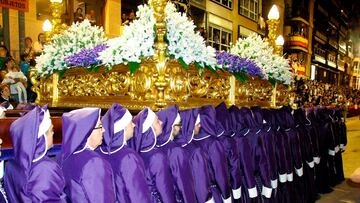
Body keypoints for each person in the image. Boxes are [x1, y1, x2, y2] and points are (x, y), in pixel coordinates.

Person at [4, 106, 66, 202]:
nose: (53, 134)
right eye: (51, 131)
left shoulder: (10, 164)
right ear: (41, 138)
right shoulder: (46, 168)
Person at [59, 107, 116, 203]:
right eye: (100, 126)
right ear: (87, 131)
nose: (103, 131)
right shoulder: (93, 162)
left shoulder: (62, 156)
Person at [98, 103, 151, 203]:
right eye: (130, 122)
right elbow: (138, 194)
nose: (134, 124)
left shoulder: (99, 151)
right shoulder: (129, 157)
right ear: (123, 128)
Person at [129, 107, 176, 203]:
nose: (161, 122)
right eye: (157, 121)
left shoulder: (137, 150)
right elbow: (164, 189)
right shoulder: (157, 156)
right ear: (151, 129)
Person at [156, 105, 197, 203]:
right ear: (171, 126)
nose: (181, 127)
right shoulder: (176, 150)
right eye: (179, 124)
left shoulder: (155, 146)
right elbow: (184, 184)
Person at [175, 108, 214, 203]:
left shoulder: (174, 146)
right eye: (197, 124)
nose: (200, 126)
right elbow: (201, 183)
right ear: (190, 126)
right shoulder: (195, 150)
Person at [194, 105, 232, 203]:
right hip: (214, 192)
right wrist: (226, 195)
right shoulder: (213, 143)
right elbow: (220, 173)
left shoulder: (192, 140)